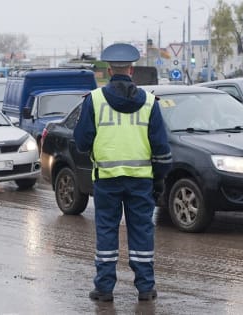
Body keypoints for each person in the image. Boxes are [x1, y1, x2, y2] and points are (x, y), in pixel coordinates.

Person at [74, 43, 172, 302]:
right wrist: (159, 180)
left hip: (107, 181)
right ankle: (146, 288)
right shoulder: (150, 102)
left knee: (107, 231)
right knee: (141, 231)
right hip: (142, 182)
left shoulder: (94, 101)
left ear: (108, 70)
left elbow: (82, 141)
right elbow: (162, 147)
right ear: (131, 69)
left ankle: (104, 289)